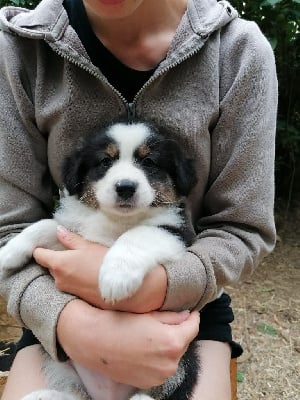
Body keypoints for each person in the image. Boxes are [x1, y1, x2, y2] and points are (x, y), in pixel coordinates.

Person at [0, 0, 277, 399]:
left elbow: (241, 227)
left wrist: (160, 286)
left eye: (148, 166)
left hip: (182, 311)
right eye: (106, 165)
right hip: (56, 309)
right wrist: (70, 324)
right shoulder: (18, 48)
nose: (127, 181)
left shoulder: (238, 52)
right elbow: (10, 229)